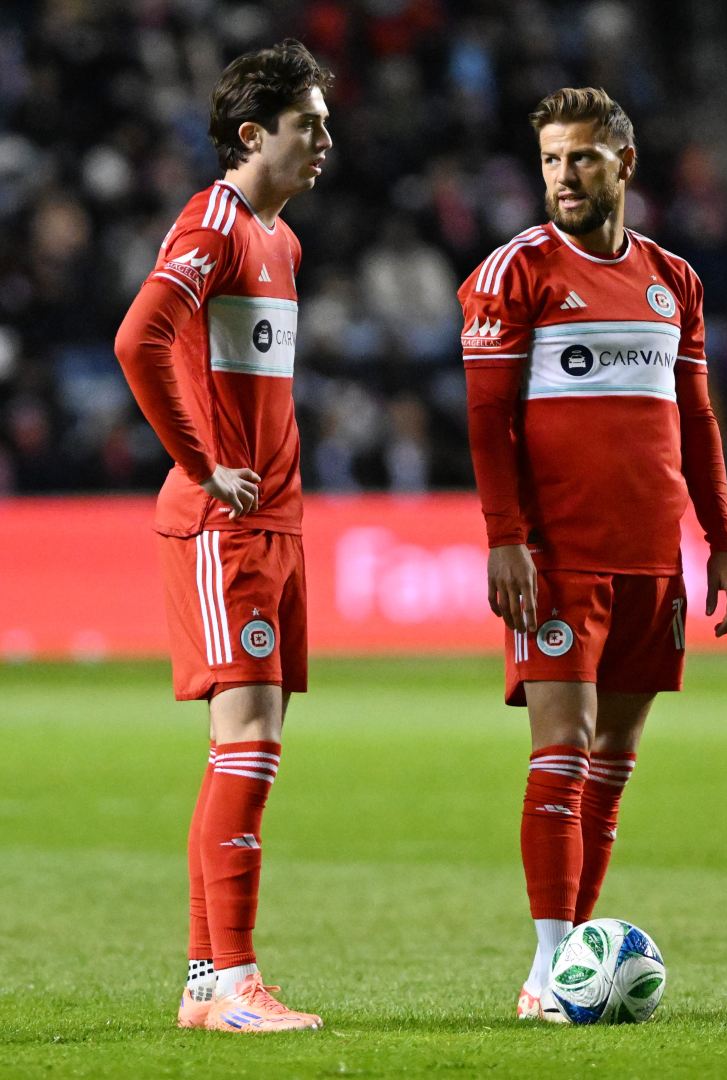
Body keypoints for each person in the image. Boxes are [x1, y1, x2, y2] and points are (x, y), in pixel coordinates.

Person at [457, 87, 727, 1022]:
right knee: (563, 752)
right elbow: (488, 422)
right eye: (549, 159)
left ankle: (578, 958)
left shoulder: (676, 281)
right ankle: (548, 969)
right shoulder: (513, 275)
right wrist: (506, 540)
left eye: (581, 157)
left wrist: (724, 542)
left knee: (613, 764)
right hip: (558, 558)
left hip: (649, 558)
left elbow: (694, 421)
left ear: (625, 163)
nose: (563, 176)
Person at [114, 39, 333, 1034]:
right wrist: (203, 463)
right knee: (244, 743)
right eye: (310, 123)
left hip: (274, 521)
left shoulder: (282, 243)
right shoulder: (215, 222)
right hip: (222, 522)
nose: (327, 139)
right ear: (255, 135)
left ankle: (209, 985)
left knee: (251, 750)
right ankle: (235, 982)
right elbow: (139, 337)